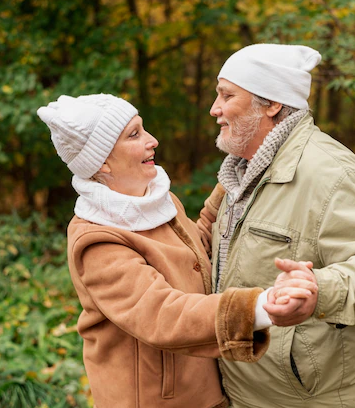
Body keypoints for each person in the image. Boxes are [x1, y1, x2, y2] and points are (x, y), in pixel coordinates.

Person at [36, 94, 317, 408]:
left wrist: (233, 185)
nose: (152, 140)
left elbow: (190, 253)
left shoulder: (155, 199)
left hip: (201, 387)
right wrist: (259, 307)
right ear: (101, 160)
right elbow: (162, 314)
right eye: (134, 135)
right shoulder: (97, 240)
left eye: (143, 129)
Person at [207, 43, 355, 408]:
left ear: (272, 104)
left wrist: (320, 291)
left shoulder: (334, 174)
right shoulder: (240, 174)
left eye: (227, 95)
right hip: (245, 394)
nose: (215, 109)